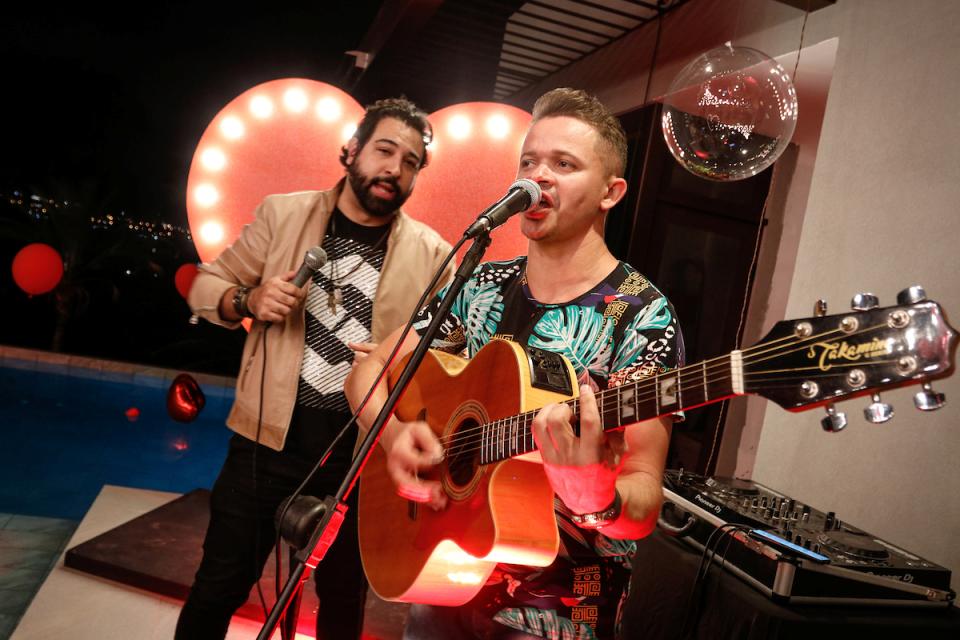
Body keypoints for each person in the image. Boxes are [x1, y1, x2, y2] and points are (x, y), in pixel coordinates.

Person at [345, 88, 684, 640]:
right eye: (530, 162)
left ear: (610, 192)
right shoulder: (480, 284)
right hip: (444, 573)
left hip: (560, 613)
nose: (539, 175)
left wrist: (595, 500)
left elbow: (643, 499)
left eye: (564, 164)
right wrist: (393, 437)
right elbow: (368, 373)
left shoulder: (642, 313)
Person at [178, 97, 454, 639]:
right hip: (264, 443)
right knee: (219, 586)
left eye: (412, 161)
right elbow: (204, 287)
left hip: (359, 459)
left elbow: (447, 350)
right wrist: (248, 299)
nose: (395, 168)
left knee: (343, 603)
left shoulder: (433, 254)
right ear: (350, 150)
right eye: (384, 150)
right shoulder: (284, 214)